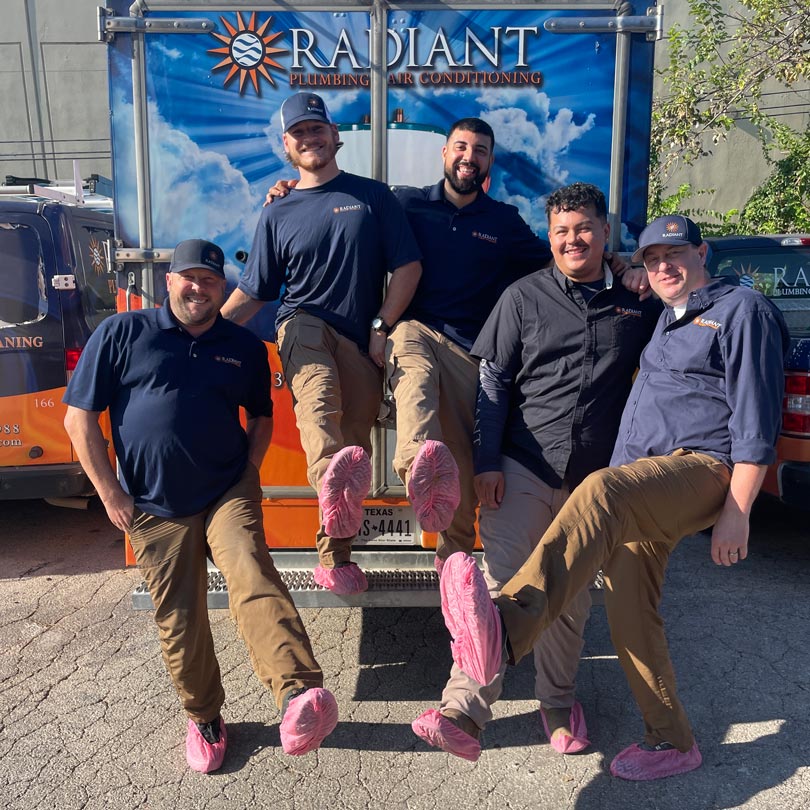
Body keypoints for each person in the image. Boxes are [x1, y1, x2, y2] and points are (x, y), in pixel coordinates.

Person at [436, 214, 790, 780]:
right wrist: (626, 270)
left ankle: (504, 631)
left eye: (675, 253)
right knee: (630, 612)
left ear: (704, 252)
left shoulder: (741, 311)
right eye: (652, 259)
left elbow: (756, 422)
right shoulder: (665, 320)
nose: (664, 266)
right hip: (641, 484)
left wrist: (737, 513)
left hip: (697, 470)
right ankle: (672, 740)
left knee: (598, 488)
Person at [265, 117, 645, 572]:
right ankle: (416, 468)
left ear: (488, 162)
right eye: (461, 147)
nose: (470, 157)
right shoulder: (404, 202)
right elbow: (341, 205)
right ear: (444, 154)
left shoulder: (502, 221)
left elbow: (563, 256)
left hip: (473, 352)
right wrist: (292, 190)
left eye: (480, 150)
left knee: (463, 473)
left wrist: (620, 266)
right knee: (415, 378)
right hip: (415, 330)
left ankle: (455, 565)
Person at [63, 239, 339, 774]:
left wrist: (250, 473)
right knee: (179, 617)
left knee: (253, 573)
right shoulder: (124, 333)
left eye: (211, 281)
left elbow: (260, 416)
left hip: (225, 491)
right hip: (152, 502)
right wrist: (111, 494)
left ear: (222, 289)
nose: (199, 288)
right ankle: (206, 717)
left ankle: (298, 695)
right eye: (190, 278)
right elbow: (79, 417)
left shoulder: (242, 347)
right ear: (168, 280)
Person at [411, 183, 661, 761]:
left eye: (582, 229)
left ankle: (557, 702)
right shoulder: (522, 297)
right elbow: (494, 384)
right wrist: (488, 462)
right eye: (560, 232)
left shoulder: (636, 303)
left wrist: (638, 271)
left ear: (604, 231)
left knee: (568, 602)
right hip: (521, 467)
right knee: (504, 592)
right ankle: (464, 711)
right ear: (549, 238)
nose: (572, 240)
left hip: (592, 482)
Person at [222, 92, 423, 596]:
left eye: (317, 129)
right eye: (299, 133)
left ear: (335, 136)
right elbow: (255, 291)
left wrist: (381, 326)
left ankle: (334, 559)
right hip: (302, 325)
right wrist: (201, 331)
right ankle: (327, 480)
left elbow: (408, 267)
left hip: (359, 339)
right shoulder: (278, 211)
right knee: (318, 404)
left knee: (351, 451)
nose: (310, 139)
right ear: (286, 146)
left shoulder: (373, 197)